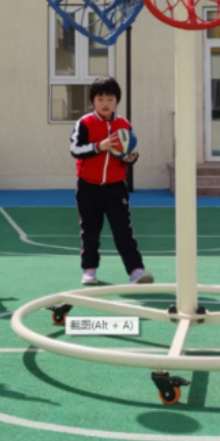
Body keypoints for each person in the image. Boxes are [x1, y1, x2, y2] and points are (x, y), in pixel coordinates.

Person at [70, 77, 151, 287]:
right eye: (100, 99)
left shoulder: (124, 124)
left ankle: (136, 271)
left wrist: (132, 157)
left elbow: (130, 152)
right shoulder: (85, 123)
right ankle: (89, 270)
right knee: (90, 231)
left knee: (123, 230)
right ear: (92, 101)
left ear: (117, 101)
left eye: (110, 98)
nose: (105, 103)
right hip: (88, 187)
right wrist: (100, 146)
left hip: (116, 187)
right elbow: (75, 149)